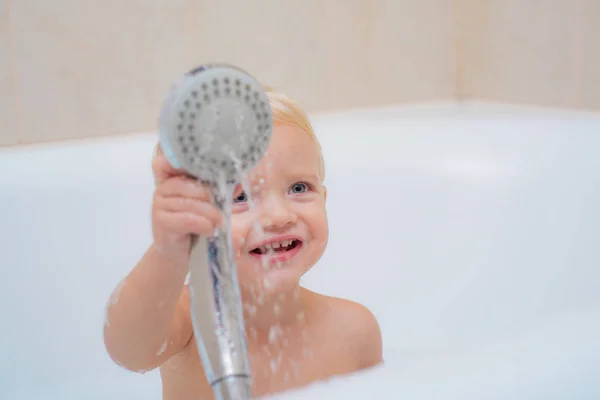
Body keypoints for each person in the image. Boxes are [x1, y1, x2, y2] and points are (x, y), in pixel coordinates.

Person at [103, 86, 383, 399]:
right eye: (239, 196)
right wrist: (167, 251)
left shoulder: (355, 330)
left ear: (324, 198)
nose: (278, 215)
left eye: (299, 187)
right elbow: (130, 350)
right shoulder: (193, 320)